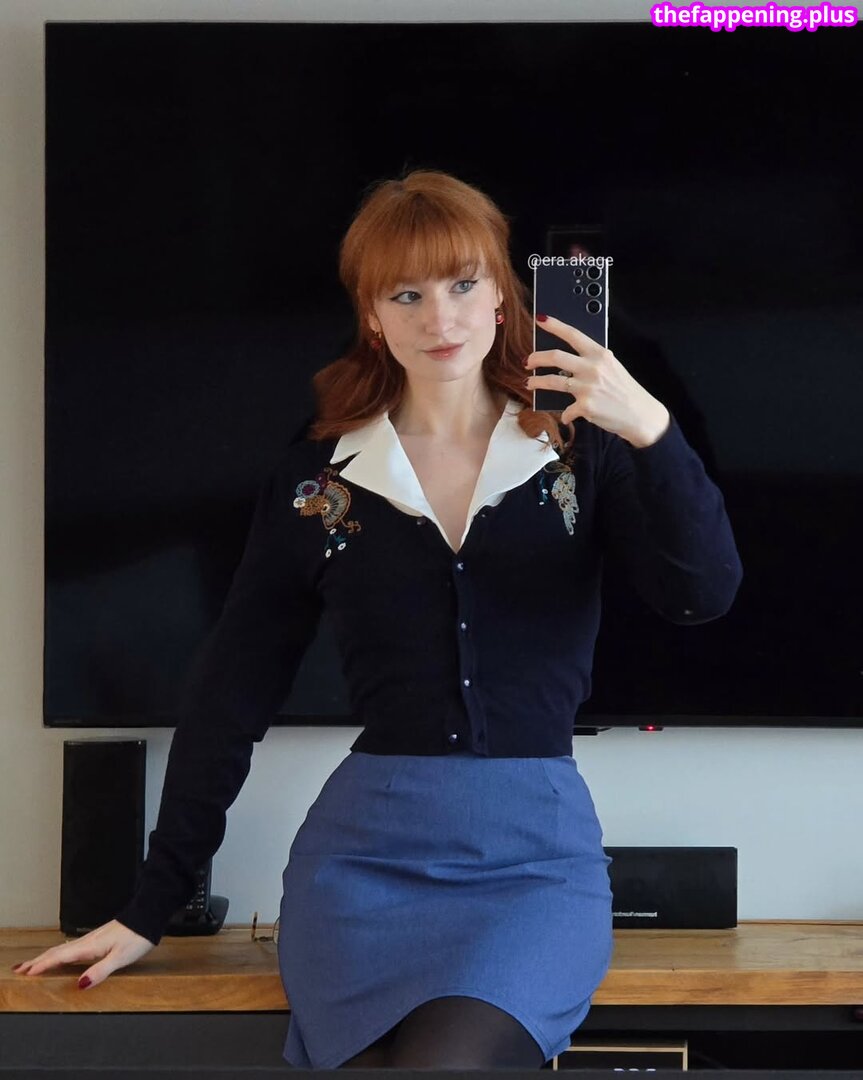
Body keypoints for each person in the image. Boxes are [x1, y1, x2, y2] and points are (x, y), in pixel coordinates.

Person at [13, 169, 743, 1069]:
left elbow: (699, 594)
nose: (440, 319)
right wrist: (147, 907)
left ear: (502, 295)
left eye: (462, 284)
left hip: (532, 869)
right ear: (372, 315)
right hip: (361, 872)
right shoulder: (316, 483)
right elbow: (230, 693)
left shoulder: (579, 452)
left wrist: (652, 431)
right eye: (407, 294)